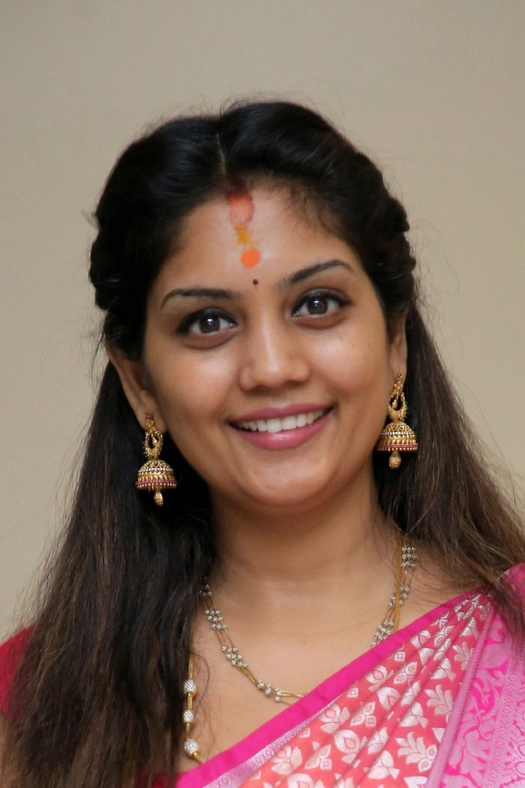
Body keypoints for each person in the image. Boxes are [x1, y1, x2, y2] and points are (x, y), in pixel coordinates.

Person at [1, 100, 524, 788]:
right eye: (208, 322)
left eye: (316, 305)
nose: (272, 368)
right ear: (140, 382)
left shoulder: (512, 645)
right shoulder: (40, 709)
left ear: (395, 339)